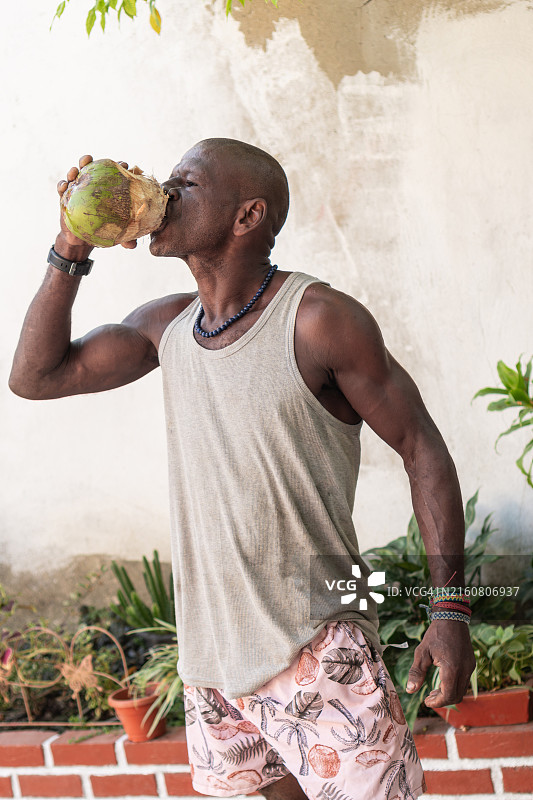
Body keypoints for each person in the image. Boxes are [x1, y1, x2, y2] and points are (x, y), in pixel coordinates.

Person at [10, 138, 475, 800]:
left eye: (185, 183)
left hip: (317, 644)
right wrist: (72, 245)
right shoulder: (166, 327)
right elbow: (36, 376)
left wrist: (449, 608)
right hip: (212, 659)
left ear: (246, 216)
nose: (162, 191)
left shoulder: (317, 320)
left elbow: (421, 446)